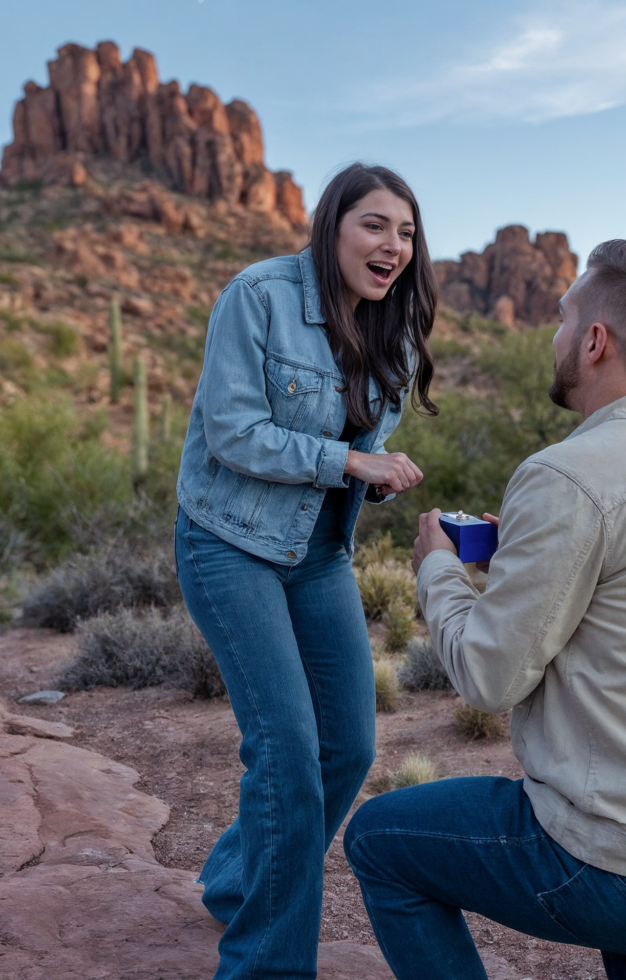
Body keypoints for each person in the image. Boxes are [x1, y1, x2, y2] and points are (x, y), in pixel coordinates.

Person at [344, 240, 626, 980]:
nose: (551, 336)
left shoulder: (565, 474)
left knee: (380, 840)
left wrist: (437, 564)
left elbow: (487, 679)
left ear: (594, 342)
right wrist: (512, 558)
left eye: (561, 320)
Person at [174, 162, 438, 980]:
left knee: (349, 747)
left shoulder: (390, 326)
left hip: (317, 554)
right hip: (228, 541)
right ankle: (266, 966)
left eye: (405, 231)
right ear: (332, 226)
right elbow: (234, 433)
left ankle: (234, 879)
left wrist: (382, 474)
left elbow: (357, 451)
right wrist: (354, 464)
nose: (392, 244)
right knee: (286, 749)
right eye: (374, 224)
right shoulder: (257, 294)